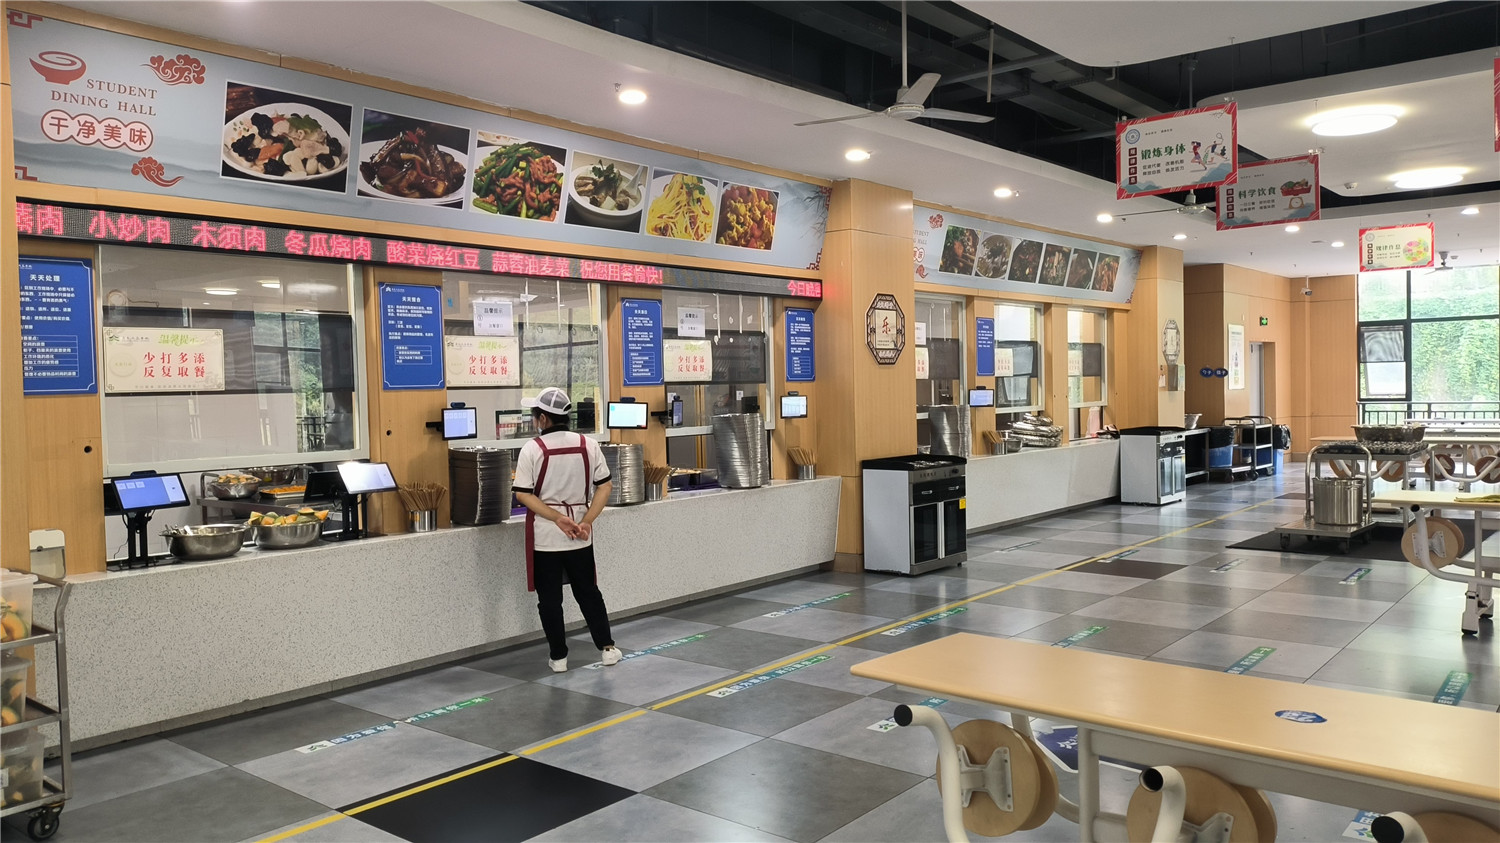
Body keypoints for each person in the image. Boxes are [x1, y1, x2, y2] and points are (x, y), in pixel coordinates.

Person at [511, 387, 622, 673]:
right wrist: (587, 521)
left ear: (543, 418)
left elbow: (523, 494)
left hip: (546, 537)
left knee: (550, 599)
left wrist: (556, 518)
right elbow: (605, 486)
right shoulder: (588, 445)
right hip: (580, 537)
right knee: (588, 592)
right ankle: (607, 648)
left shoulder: (532, 449)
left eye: (535, 415)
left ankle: (559, 657)